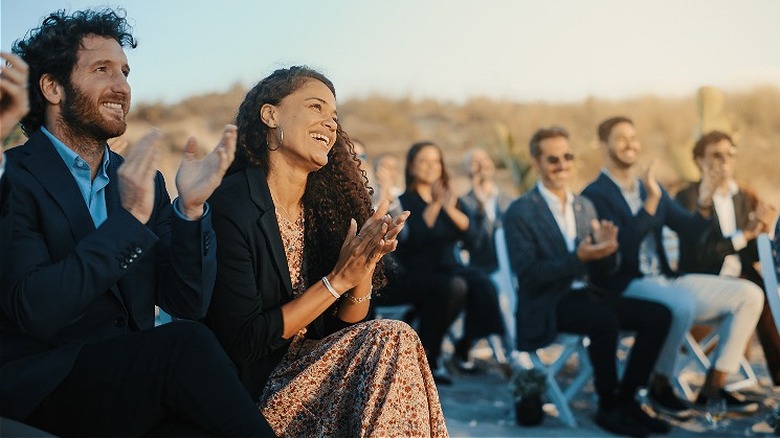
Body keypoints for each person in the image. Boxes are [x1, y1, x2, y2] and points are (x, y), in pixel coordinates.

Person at [0, 9, 272, 436]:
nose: (121, 86)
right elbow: (36, 310)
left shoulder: (145, 182)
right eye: (101, 69)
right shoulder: (13, 176)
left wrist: (191, 211)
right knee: (187, 348)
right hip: (42, 385)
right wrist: (128, 221)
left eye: (125, 72)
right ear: (53, 87)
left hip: (132, 383)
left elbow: (187, 302)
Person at [204, 66, 447, 437]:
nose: (330, 124)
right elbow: (244, 341)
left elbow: (342, 327)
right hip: (261, 389)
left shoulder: (325, 209)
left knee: (393, 336)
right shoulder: (232, 204)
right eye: (316, 107)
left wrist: (363, 267)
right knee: (394, 338)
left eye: (334, 116)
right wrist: (337, 279)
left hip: (318, 370)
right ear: (270, 115)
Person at [581, 116, 764, 417]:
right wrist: (651, 204)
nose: (631, 144)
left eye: (634, 137)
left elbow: (690, 231)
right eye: (621, 138)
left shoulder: (647, 188)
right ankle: (660, 385)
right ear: (603, 145)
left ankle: (713, 387)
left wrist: (703, 203)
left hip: (667, 279)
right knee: (679, 304)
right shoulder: (594, 195)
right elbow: (620, 250)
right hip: (625, 284)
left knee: (750, 294)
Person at [504, 126, 672, 437]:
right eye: (553, 159)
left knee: (659, 315)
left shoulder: (584, 205)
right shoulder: (521, 211)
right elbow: (529, 276)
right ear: (537, 162)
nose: (562, 165)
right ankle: (607, 407)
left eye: (567, 157)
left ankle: (628, 399)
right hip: (546, 303)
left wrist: (608, 251)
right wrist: (578, 258)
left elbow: (602, 271)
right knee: (603, 320)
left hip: (587, 294)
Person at [387, 141, 505, 382]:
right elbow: (416, 236)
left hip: (450, 267)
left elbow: (473, 235)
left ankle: (464, 344)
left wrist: (449, 208)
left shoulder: (451, 198)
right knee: (454, 286)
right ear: (411, 165)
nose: (431, 167)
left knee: (483, 283)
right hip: (415, 270)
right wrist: (436, 204)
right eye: (424, 161)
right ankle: (430, 354)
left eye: (436, 161)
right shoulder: (404, 201)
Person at [675, 130, 780, 386]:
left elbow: (750, 251)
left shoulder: (743, 195)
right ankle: (715, 384)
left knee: (770, 292)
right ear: (699, 160)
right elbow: (699, 253)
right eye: (716, 155)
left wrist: (760, 231)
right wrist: (744, 234)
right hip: (704, 276)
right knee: (757, 293)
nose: (725, 161)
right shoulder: (688, 198)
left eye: (729, 154)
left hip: (740, 274)